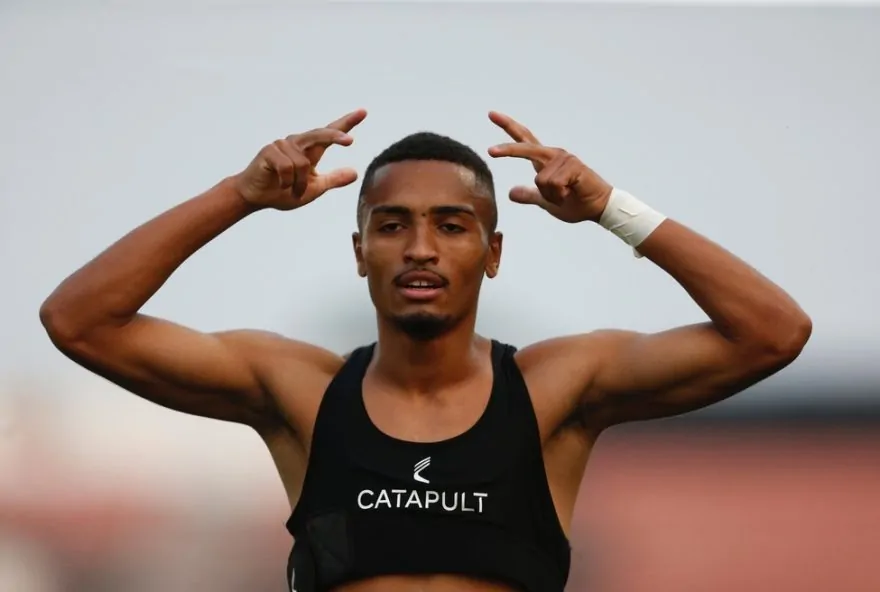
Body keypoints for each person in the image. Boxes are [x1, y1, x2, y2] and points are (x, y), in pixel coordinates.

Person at [39, 108, 811, 592]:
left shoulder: (557, 388)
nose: (419, 248)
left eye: (450, 225)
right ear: (360, 252)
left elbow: (773, 332)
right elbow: (80, 322)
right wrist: (239, 194)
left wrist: (612, 208)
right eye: (391, 225)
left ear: (492, 252)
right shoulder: (298, 390)